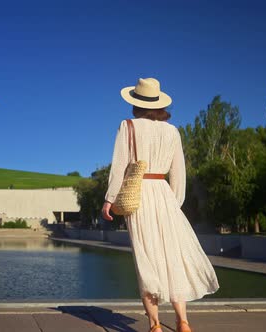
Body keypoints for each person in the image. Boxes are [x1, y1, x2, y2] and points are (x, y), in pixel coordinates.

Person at [102, 78, 219, 332]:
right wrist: (173, 204)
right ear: (157, 103)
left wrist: (109, 199)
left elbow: (119, 167)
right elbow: (179, 174)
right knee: (172, 258)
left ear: (135, 103)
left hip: (138, 195)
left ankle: (155, 325)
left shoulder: (128, 126)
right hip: (165, 196)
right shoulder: (172, 131)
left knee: (147, 260)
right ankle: (183, 322)